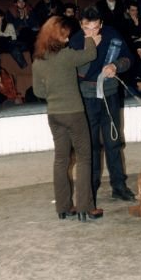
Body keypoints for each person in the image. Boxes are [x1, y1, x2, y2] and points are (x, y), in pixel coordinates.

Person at [32, 15, 103, 222]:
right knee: (84, 158)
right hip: (74, 113)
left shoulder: (38, 61)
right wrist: (91, 37)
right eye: (65, 36)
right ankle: (85, 207)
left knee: (61, 160)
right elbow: (90, 55)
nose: (67, 39)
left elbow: (38, 91)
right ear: (56, 37)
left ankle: (63, 208)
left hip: (54, 115)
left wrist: (55, 96)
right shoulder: (66, 55)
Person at [70, 6, 135, 203]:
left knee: (113, 142)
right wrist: (90, 49)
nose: (91, 32)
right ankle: (92, 185)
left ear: (101, 24)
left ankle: (119, 185)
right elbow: (78, 73)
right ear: (81, 25)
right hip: (87, 98)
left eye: (95, 28)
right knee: (91, 145)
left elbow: (128, 58)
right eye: (86, 28)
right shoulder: (75, 40)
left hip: (110, 94)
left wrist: (116, 66)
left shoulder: (112, 34)